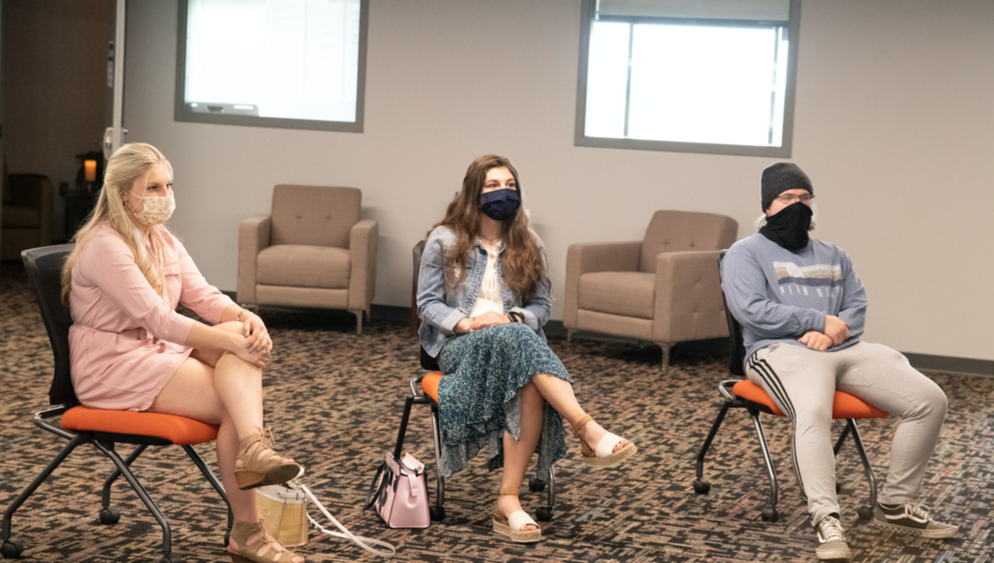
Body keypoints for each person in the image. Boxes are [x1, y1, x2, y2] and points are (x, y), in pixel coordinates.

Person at [61, 143, 305, 563]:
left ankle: (253, 452)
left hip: (154, 352)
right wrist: (230, 340)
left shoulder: (161, 238)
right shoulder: (105, 245)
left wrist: (246, 318)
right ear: (123, 193)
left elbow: (204, 297)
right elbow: (158, 319)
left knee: (234, 334)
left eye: (168, 185)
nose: (165, 196)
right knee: (235, 397)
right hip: (112, 365)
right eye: (153, 187)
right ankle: (248, 514)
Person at [720, 162, 957, 560]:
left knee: (929, 399)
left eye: (804, 198)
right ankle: (826, 519)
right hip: (777, 351)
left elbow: (857, 309)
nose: (798, 205)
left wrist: (830, 331)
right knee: (813, 410)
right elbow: (751, 310)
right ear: (767, 205)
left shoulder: (834, 255)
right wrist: (817, 321)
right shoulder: (745, 253)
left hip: (842, 349)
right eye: (787, 198)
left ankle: (895, 505)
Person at [417, 154, 637, 543]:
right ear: (473, 193)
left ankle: (508, 502)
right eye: (492, 187)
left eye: (510, 186)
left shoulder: (529, 243)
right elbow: (428, 304)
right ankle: (586, 427)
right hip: (459, 345)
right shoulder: (445, 239)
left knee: (525, 367)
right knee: (520, 343)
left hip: (514, 344)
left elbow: (542, 307)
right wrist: (467, 322)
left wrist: (514, 319)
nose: (503, 193)